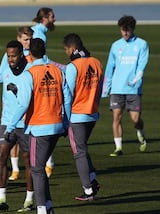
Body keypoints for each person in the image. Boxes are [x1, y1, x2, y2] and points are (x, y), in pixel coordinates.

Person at [7, 38, 71, 214]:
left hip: (39, 128)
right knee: (40, 168)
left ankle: (42, 208)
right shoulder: (58, 71)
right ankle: (48, 206)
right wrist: (66, 123)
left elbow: (23, 104)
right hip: (57, 127)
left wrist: (10, 127)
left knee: (36, 169)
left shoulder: (30, 74)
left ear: (29, 54)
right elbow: (67, 98)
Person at [0, 40, 34, 212]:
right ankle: (1, 200)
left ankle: (29, 201)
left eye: (13, 56)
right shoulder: (6, 70)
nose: (10, 59)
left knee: (29, 160)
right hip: (7, 122)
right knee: (1, 156)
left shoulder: (30, 71)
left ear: (21, 54)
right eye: (8, 56)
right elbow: (4, 89)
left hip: (26, 123)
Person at [102, 15, 149, 156]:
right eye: (123, 30)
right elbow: (110, 68)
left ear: (133, 29)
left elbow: (142, 66)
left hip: (133, 89)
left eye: (127, 30)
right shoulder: (116, 46)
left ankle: (140, 132)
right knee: (116, 116)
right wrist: (106, 88)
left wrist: (135, 81)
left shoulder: (142, 44)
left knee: (135, 120)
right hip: (117, 88)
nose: (125, 33)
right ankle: (118, 148)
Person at [63, 33, 102, 201]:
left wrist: (65, 117)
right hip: (92, 114)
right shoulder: (96, 62)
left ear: (72, 48)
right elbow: (100, 89)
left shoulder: (73, 67)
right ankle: (92, 180)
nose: (66, 52)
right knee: (83, 148)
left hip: (77, 115)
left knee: (79, 152)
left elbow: (68, 94)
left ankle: (88, 190)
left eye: (66, 49)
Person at [31, 7, 65, 177]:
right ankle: (45, 164)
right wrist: (62, 68)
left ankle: (45, 163)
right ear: (44, 17)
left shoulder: (39, 31)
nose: (54, 19)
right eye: (52, 16)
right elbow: (39, 58)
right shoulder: (39, 33)